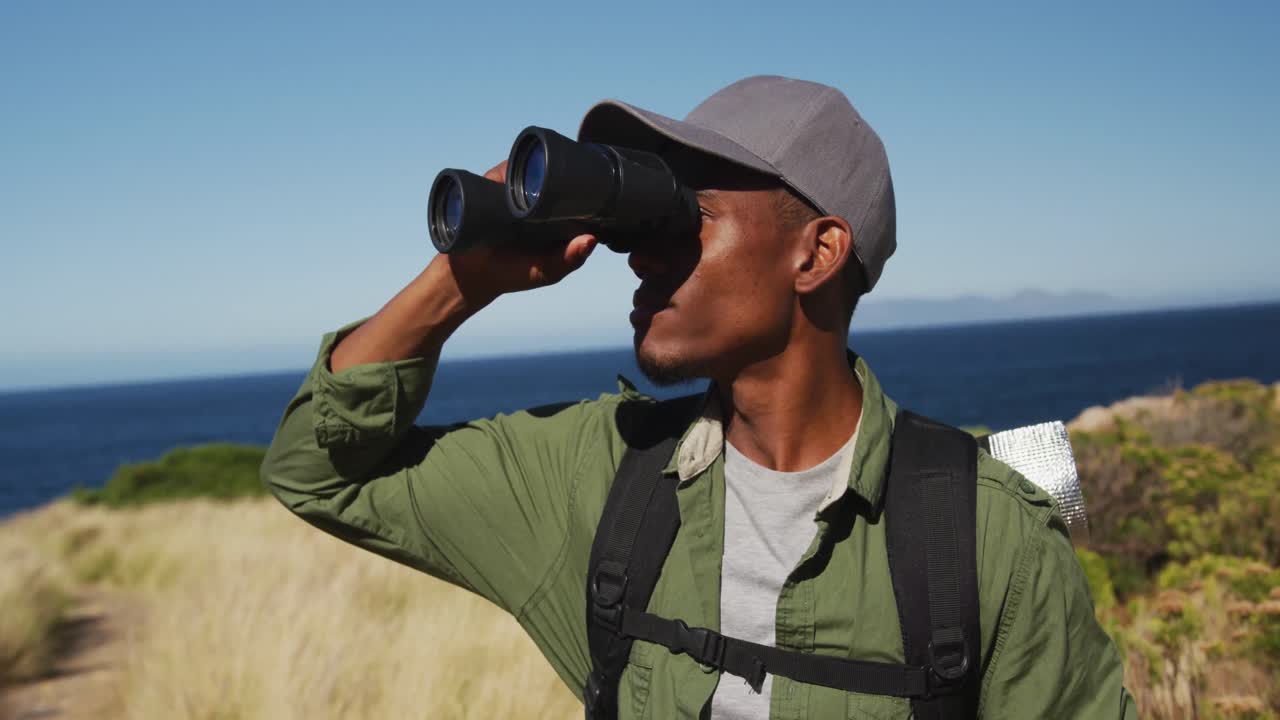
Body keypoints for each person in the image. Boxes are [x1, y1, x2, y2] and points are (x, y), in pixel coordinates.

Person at [261, 75, 1137, 719]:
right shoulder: (600, 472)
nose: (643, 255)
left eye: (689, 218)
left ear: (817, 253)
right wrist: (461, 281)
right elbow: (317, 473)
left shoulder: (983, 531)